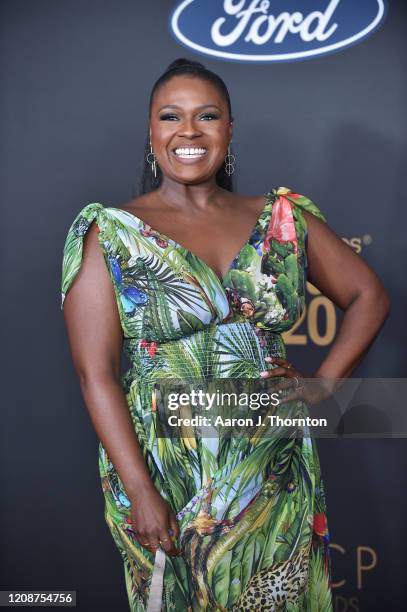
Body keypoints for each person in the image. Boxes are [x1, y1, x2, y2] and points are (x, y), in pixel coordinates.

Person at [60, 58, 390, 611]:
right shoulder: (109, 232)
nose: (188, 130)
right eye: (171, 116)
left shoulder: (280, 218)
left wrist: (325, 387)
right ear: (151, 131)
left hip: (272, 468)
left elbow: (368, 296)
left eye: (206, 116)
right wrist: (140, 488)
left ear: (230, 129)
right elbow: (94, 372)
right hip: (167, 469)